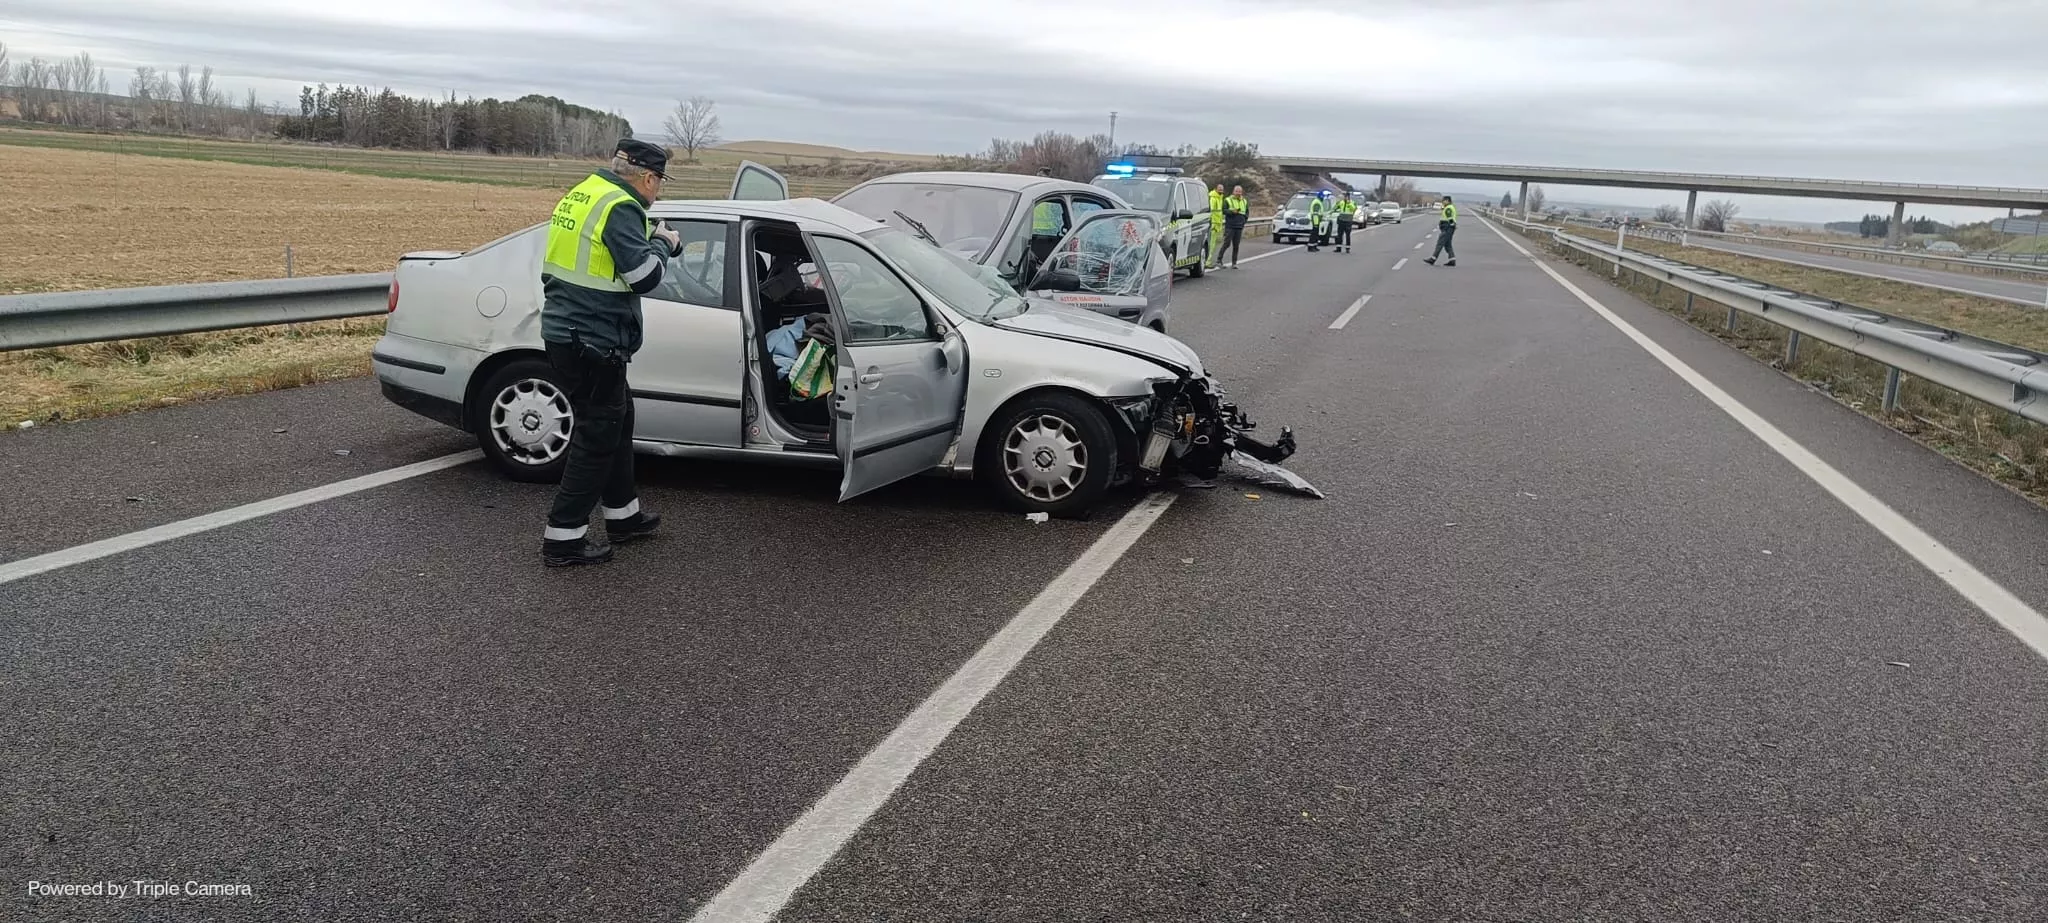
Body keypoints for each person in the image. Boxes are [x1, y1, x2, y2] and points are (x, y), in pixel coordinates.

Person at [536, 138, 682, 567]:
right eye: (659, 183)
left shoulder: (585, 193)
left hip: (570, 332)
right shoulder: (621, 207)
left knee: (619, 420)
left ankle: (624, 516)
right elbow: (644, 277)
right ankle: (563, 539)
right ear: (648, 178)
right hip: (592, 339)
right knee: (597, 434)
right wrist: (665, 244)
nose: (658, 193)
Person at [1219, 185, 1250, 268]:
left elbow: (1246, 212)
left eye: (1240, 191)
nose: (1238, 193)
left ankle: (1234, 263)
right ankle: (1219, 260)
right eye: (1237, 191)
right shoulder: (1228, 200)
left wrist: (1244, 221)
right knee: (1227, 243)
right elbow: (1224, 210)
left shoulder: (1244, 201)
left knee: (1236, 245)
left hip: (1239, 226)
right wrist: (1232, 212)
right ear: (1233, 191)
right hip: (1230, 225)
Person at [1424, 195, 1458, 266]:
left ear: (1448, 201)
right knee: (1448, 245)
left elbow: (1450, 218)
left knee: (1440, 243)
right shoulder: (1450, 207)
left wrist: (1451, 225)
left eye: (1444, 200)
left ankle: (1433, 259)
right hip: (1449, 228)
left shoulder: (1448, 208)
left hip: (1447, 228)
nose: (1443, 202)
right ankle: (1452, 260)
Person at [1206, 183, 1225, 269]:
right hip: (1213, 224)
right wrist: (1212, 223)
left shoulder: (1220, 198)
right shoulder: (1213, 198)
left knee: (1213, 244)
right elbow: (1212, 212)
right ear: (1215, 189)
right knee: (1211, 244)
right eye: (1219, 188)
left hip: (1217, 223)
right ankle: (1207, 262)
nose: (1221, 190)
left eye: (1222, 189)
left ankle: (1208, 261)